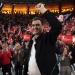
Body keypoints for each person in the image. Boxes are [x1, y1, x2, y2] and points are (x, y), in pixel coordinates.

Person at [24, 3, 62, 75]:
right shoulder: (31, 41)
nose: (35, 27)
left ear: (43, 26)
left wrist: (43, 10)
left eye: (38, 25)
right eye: (33, 25)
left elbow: (57, 26)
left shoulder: (48, 39)